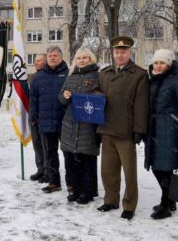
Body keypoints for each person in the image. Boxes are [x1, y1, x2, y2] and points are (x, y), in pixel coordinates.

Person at [94, 36, 149, 220]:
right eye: (117, 52)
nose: (120, 55)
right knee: (108, 170)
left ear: (129, 53)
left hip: (126, 131)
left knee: (129, 172)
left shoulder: (139, 74)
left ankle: (129, 205)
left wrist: (138, 130)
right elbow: (95, 91)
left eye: (123, 52)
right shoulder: (104, 73)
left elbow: (141, 105)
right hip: (106, 129)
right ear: (113, 53)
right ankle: (110, 200)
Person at [144, 49, 178, 219]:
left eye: (162, 62)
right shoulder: (151, 81)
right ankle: (170, 200)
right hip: (153, 129)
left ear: (169, 64)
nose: (158, 65)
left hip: (170, 129)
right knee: (157, 168)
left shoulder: (177, 81)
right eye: (156, 62)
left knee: (166, 169)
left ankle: (165, 205)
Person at [59, 48, 100, 204]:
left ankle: (88, 192)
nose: (82, 61)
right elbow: (61, 98)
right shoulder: (71, 77)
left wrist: (95, 97)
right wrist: (65, 95)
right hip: (70, 123)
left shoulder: (97, 76)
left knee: (86, 160)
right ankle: (76, 190)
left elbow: (102, 96)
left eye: (85, 58)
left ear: (91, 59)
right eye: (79, 58)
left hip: (88, 124)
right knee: (72, 161)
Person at [30, 46, 68, 193]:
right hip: (45, 121)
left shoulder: (68, 74)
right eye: (50, 55)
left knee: (68, 154)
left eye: (55, 55)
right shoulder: (38, 77)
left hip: (64, 121)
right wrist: (34, 115)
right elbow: (33, 98)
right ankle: (54, 182)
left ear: (61, 57)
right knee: (50, 154)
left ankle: (71, 183)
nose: (52, 57)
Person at [29, 54, 48, 183]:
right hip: (34, 116)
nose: (35, 63)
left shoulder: (48, 75)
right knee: (37, 145)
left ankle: (47, 171)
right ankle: (40, 169)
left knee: (45, 146)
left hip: (44, 117)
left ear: (45, 62)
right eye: (35, 61)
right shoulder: (34, 77)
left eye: (39, 60)